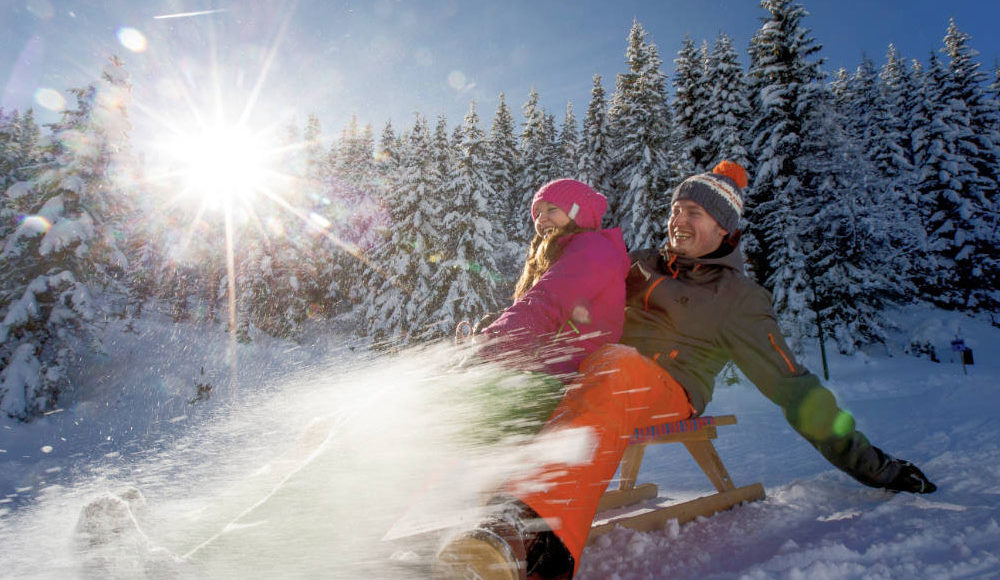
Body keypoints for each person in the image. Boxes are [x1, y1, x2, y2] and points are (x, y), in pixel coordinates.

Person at [441, 161, 936, 580]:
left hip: (667, 388)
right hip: (595, 381)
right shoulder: (638, 264)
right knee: (518, 388)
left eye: (693, 212)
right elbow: (570, 294)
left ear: (724, 227)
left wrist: (876, 467)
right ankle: (451, 509)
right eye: (676, 209)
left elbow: (796, 388)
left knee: (615, 366)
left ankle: (527, 537)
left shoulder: (739, 298)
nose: (678, 220)